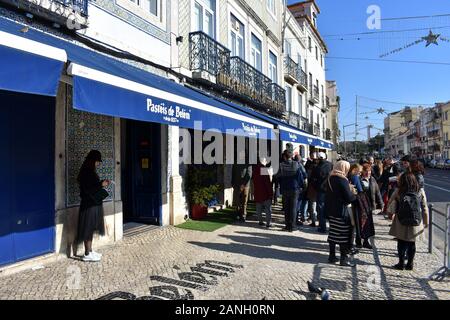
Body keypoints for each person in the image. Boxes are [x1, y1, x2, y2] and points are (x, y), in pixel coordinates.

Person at [388, 173, 429, 270]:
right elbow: (425, 208)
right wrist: (426, 222)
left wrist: (391, 213)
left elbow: (391, 203)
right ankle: (410, 264)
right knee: (412, 243)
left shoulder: (399, 191)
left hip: (401, 219)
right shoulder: (420, 191)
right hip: (416, 220)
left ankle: (401, 263)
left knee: (401, 242)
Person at [77, 150, 110, 262]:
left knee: (90, 228)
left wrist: (101, 183)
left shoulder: (90, 171)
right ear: (92, 160)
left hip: (93, 204)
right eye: (97, 161)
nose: (98, 164)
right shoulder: (86, 172)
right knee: (87, 228)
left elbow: (92, 186)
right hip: (88, 205)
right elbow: (88, 189)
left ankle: (90, 251)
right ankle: (86, 254)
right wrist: (101, 184)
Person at [325, 160, 357, 267]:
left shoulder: (330, 178)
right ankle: (343, 259)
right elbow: (348, 197)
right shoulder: (342, 180)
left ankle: (332, 255)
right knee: (343, 234)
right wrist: (354, 195)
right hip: (341, 211)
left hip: (331, 210)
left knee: (333, 232)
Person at [276, 150, 305, 232]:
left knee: (286, 208)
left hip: (285, 189)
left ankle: (287, 225)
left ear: (284, 156)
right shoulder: (297, 164)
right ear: (291, 156)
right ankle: (293, 226)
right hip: (295, 188)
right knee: (293, 208)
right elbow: (303, 174)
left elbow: (277, 176)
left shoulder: (281, 165)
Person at [360, 163, 384, 250]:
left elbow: (377, 192)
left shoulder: (372, 179)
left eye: (369, 171)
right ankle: (359, 241)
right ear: (362, 171)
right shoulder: (359, 179)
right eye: (366, 171)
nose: (368, 173)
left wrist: (381, 204)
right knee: (361, 224)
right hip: (361, 205)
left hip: (369, 205)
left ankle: (365, 241)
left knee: (368, 225)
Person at [310, 152, 333, 233]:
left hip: (321, 190)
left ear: (319, 158)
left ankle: (322, 227)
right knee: (330, 208)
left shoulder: (317, 167)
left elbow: (312, 180)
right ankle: (332, 227)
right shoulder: (330, 165)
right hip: (330, 190)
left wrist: (316, 187)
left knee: (321, 209)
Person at [232, 152, 253, 222]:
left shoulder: (248, 163)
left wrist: (243, 185)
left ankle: (243, 215)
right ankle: (237, 214)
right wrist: (232, 183)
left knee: (244, 201)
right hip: (237, 184)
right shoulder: (235, 162)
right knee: (237, 200)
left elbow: (249, 175)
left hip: (245, 185)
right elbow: (233, 172)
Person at [253, 157, 273, 228]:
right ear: (263, 161)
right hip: (265, 192)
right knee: (268, 209)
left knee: (259, 208)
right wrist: (270, 193)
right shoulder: (263, 169)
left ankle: (260, 221)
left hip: (257, 191)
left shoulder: (255, 169)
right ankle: (268, 222)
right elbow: (267, 182)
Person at [294, 155, 308, 226]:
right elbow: (305, 177)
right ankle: (296, 220)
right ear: (300, 160)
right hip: (299, 188)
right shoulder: (301, 166)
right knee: (297, 205)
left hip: (291, 187)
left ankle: (292, 219)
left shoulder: (291, 165)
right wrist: (305, 187)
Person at [304, 153, 318, 226]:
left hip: (312, 188)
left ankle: (313, 220)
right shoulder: (322, 167)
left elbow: (307, 176)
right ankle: (315, 218)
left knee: (312, 205)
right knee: (316, 205)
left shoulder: (310, 167)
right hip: (320, 189)